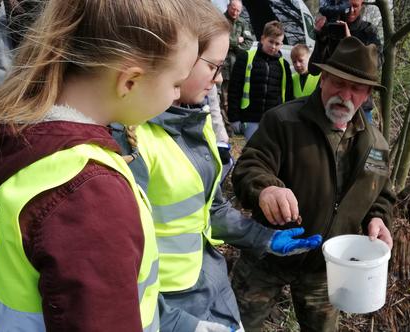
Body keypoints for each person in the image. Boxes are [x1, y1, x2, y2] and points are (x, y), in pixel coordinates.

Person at [0, 0, 201, 330]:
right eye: (176, 83)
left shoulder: (29, 143)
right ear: (130, 81)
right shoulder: (90, 195)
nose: (177, 94)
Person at [114, 8, 322, 332]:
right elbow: (118, 274)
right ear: (177, 57)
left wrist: (264, 238)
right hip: (171, 307)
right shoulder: (130, 140)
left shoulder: (195, 122)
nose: (219, 78)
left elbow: (210, 210)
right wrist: (179, 325)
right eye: (213, 67)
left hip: (212, 291)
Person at [231, 36, 396, 332]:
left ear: (368, 94)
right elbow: (248, 167)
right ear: (323, 80)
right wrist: (266, 188)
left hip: (327, 267)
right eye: (337, 83)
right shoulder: (283, 121)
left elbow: (380, 195)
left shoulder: (376, 145)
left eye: (356, 88)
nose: (344, 95)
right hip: (268, 255)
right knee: (239, 327)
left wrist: (379, 219)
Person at [309, 0, 382, 123]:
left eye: (355, 6)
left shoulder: (368, 31)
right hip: (328, 101)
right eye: (348, 6)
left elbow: (378, 63)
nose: (351, 10)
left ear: (362, 6)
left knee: (365, 140)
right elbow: (313, 70)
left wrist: (350, 42)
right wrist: (321, 39)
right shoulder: (331, 27)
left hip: (359, 106)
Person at [227, 20, 294, 141]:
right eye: (271, 41)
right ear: (263, 39)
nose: (273, 46)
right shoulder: (246, 58)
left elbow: (288, 96)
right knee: (252, 153)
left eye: (277, 43)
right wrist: (234, 117)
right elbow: (234, 89)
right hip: (250, 119)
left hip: (274, 121)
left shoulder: (284, 65)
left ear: (282, 45)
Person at [220, 0, 254, 127]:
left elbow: (249, 42)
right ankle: (226, 126)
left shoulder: (243, 23)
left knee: (235, 96)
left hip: (238, 67)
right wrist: (236, 42)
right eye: (233, 9)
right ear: (228, 6)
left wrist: (234, 47)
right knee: (223, 98)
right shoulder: (220, 20)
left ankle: (233, 123)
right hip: (223, 66)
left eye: (238, 10)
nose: (235, 12)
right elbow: (220, 39)